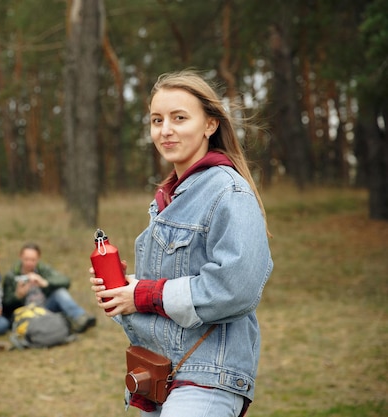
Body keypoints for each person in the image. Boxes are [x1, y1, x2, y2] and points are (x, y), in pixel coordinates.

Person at [89, 70, 273, 417]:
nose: (165, 130)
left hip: (207, 377)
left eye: (179, 118)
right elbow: (164, 301)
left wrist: (144, 293)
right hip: (161, 375)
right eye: (156, 120)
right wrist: (123, 293)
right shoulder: (168, 199)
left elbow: (237, 288)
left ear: (210, 125)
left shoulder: (228, 191)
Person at [3, 242, 96, 333]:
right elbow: (5, 304)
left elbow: (65, 281)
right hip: (25, 313)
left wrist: (45, 283)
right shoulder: (11, 276)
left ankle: (80, 318)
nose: (29, 263)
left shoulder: (42, 269)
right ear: (20, 257)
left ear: (38, 258)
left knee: (60, 292)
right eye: (26, 259)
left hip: (45, 307)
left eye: (33, 260)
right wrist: (18, 296)